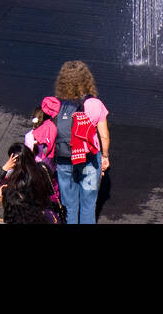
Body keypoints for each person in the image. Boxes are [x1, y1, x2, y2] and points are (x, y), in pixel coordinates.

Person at [48, 60, 110, 223]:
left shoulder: (56, 105)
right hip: (88, 161)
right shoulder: (95, 104)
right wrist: (105, 156)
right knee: (88, 205)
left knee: (69, 206)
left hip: (64, 158)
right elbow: (104, 136)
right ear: (87, 80)